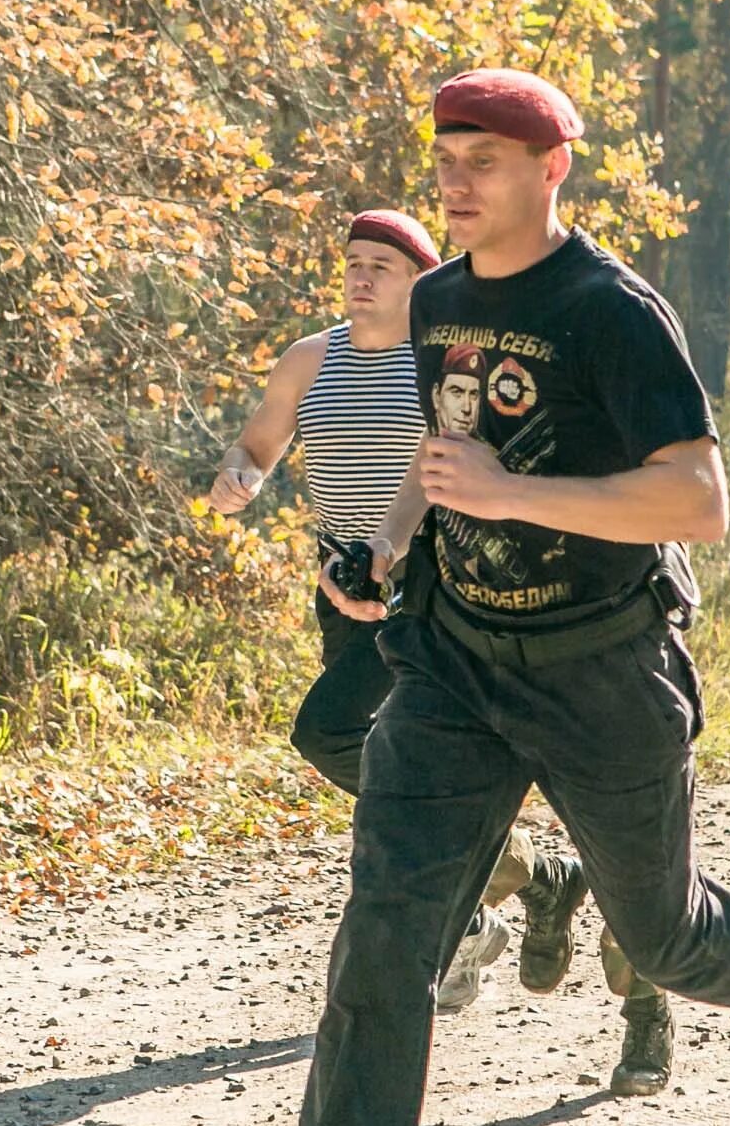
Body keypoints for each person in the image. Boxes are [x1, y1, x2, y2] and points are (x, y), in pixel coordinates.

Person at [200, 69, 730, 1126]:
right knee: (386, 925)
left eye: (481, 156)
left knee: (657, 935)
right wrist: (387, 547)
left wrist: (508, 494)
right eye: (444, 155)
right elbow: (444, 468)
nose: (453, 176)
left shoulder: (611, 311)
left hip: (603, 668)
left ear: (552, 168)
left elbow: (697, 502)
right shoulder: (437, 303)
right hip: (454, 664)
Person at [204, 211, 593, 1024]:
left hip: (429, 582)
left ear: (420, 275)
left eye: (382, 262)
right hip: (343, 586)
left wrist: (402, 546)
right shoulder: (309, 360)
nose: (361, 275)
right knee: (392, 759)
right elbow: (256, 447)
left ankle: (472, 908)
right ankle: (531, 876)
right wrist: (236, 478)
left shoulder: (442, 363)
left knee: (330, 732)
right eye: (353, 261)